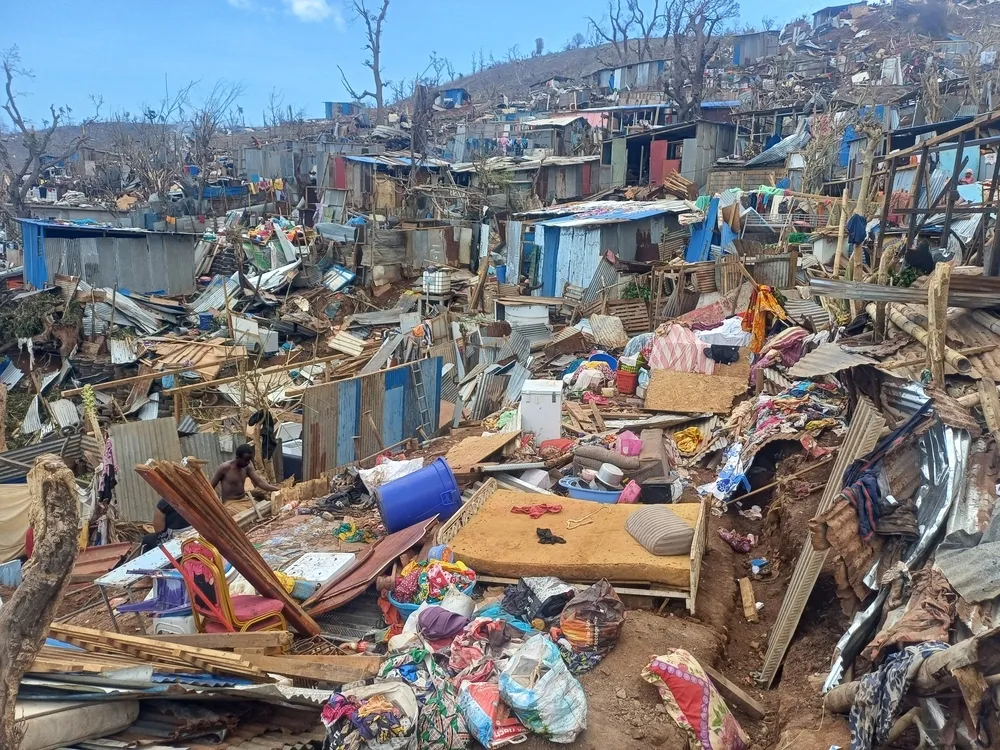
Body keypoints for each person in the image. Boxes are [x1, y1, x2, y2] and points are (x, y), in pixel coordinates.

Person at [210, 444, 280, 502]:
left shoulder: (247, 467)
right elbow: (210, 486)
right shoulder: (224, 468)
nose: (248, 463)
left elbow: (259, 482)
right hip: (230, 503)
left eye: (249, 460)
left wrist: (277, 489)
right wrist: (215, 501)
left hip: (244, 499)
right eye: (246, 460)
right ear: (238, 457)